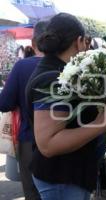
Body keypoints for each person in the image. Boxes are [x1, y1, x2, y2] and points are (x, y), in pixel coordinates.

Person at [25, 13, 106, 200]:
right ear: (79, 41)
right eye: (86, 42)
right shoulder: (52, 79)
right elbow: (49, 144)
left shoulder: (57, 71)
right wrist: (102, 123)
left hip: (66, 176)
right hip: (62, 180)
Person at [0, 20, 49, 200]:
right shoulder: (68, 66)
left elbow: (4, 103)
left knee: (33, 192)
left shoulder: (22, 67)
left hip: (29, 140)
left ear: (33, 43)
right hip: (64, 141)